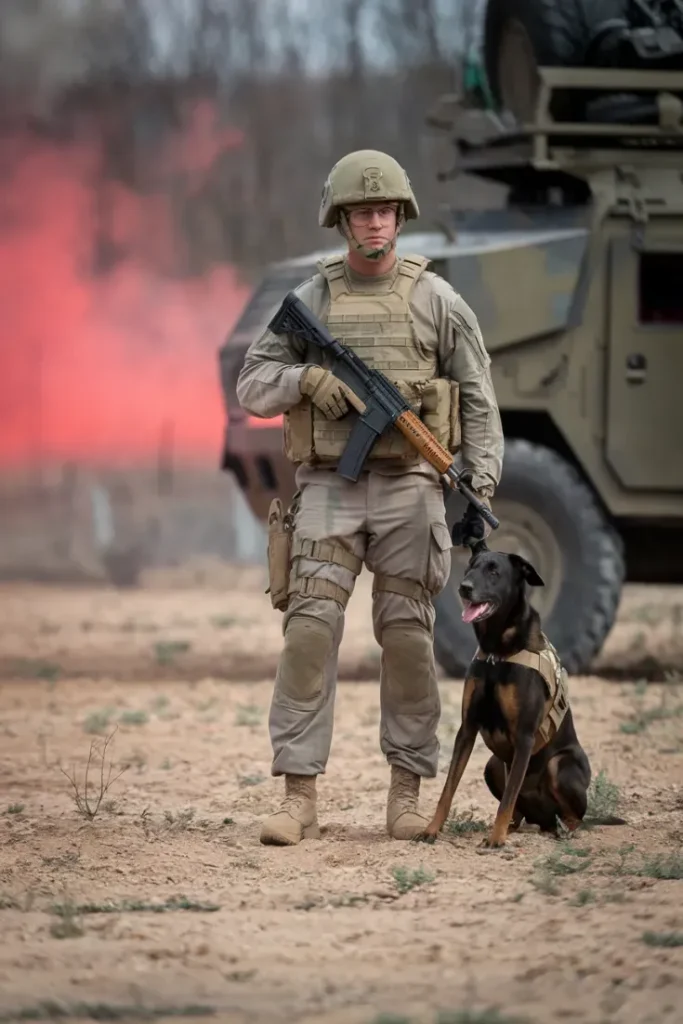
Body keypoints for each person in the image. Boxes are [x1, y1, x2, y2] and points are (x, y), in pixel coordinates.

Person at [236, 149, 503, 846]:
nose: (375, 223)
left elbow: (477, 396)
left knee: (409, 639)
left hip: (410, 491)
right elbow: (252, 383)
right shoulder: (315, 297)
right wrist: (305, 382)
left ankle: (406, 795)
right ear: (341, 220)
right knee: (309, 630)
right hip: (329, 485)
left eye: (385, 211)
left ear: (400, 216)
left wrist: (478, 482)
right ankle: (298, 796)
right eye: (362, 211)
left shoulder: (434, 299)